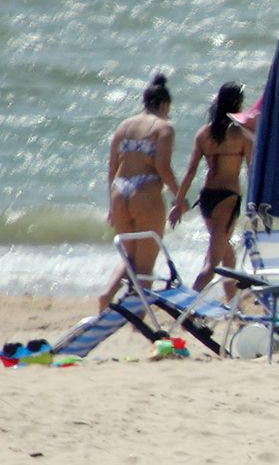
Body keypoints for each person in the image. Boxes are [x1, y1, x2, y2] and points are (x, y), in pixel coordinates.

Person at [99, 74, 185, 309]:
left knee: (130, 259)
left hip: (120, 191)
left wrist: (111, 205)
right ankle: (139, 321)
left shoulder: (124, 126)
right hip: (145, 192)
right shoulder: (164, 127)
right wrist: (180, 198)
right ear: (165, 105)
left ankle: (107, 294)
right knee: (145, 267)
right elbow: (163, 168)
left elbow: (112, 168)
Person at [171, 82, 253, 293]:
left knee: (227, 254)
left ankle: (232, 303)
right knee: (212, 263)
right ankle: (188, 303)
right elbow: (252, 170)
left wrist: (178, 203)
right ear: (237, 103)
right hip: (228, 199)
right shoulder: (241, 134)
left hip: (207, 198)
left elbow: (190, 172)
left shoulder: (203, 133)